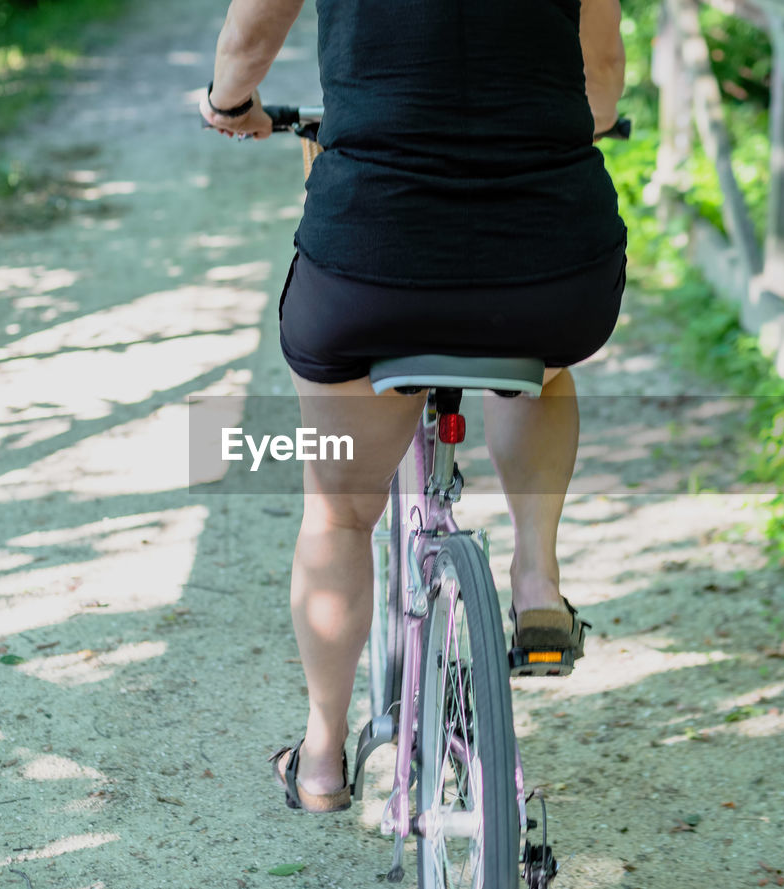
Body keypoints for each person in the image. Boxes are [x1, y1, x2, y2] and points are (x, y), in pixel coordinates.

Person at [200, 0, 628, 813]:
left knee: (336, 514)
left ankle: (323, 757)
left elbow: (249, 37)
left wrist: (230, 105)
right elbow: (599, 86)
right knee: (539, 365)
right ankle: (538, 580)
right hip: (554, 269)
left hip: (373, 267)